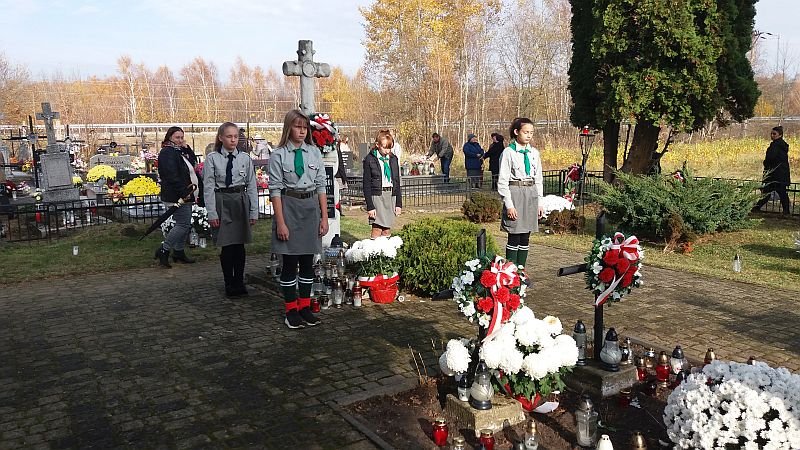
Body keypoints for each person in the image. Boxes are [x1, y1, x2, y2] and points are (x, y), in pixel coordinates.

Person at [269, 110, 328, 329]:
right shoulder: (279, 155)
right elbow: (275, 190)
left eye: (305, 127)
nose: (302, 131)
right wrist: (281, 222)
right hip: (289, 208)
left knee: (307, 261)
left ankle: (304, 307)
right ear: (288, 128)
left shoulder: (314, 152)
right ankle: (290, 310)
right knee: (290, 262)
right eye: (297, 127)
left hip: (310, 208)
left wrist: (324, 217)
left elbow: (321, 186)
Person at [203, 122, 259, 297]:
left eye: (236, 136)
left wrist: (253, 211)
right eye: (229, 136)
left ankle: (239, 281)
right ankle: (229, 283)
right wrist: (212, 212)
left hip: (240, 201)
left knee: (239, 245)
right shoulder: (212, 158)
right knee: (227, 245)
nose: (233, 140)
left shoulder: (245, 158)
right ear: (221, 138)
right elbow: (208, 187)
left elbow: (252, 186)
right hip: (222, 201)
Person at [497, 117, 543, 271]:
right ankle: (511, 272)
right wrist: (509, 205)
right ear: (516, 132)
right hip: (516, 193)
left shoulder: (534, 153)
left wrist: (540, 202)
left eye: (531, 132)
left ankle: (521, 270)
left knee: (525, 235)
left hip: (531, 192)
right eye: (525, 132)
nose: (529, 135)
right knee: (515, 233)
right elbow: (503, 181)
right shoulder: (508, 152)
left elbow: (539, 179)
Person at [154, 126, 199, 268]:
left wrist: (187, 149)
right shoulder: (167, 152)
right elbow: (172, 175)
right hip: (177, 195)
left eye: (181, 137)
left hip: (186, 193)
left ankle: (178, 252)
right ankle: (164, 249)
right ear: (170, 138)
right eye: (177, 137)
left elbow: (194, 163)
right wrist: (183, 193)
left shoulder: (179, 151)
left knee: (184, 224)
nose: (180, 140)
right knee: (183, 224)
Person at [363, 130, 402, 238]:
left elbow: (397, 181)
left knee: (386, 228)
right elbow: (366, 184)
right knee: (377, 227)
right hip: (377, 196)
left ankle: (386, 248)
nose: (387, 150)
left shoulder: (393, 159)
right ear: (377, 145)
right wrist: (370, 206)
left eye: (389, 147)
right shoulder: (369, 159)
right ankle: (374, 247)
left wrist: (398, 203)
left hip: (390, 195)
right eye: (385, 147)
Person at [753, 126, 791, 214]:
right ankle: (786, 211)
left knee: (774, 191)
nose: (772, 135)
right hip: (779, 173)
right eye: (771, 133)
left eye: (774, 134)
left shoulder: (776, 145)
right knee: (775, 191)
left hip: (775, 173)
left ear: (780, 135)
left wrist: (766, 164)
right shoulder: (780, 145)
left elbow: (771, 158)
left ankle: (757, 208)